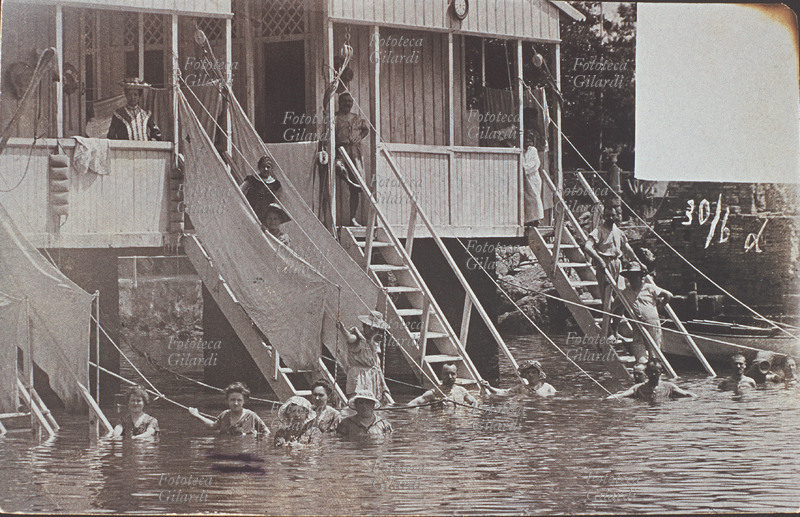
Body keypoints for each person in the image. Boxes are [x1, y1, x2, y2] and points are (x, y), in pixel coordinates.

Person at [584, 197, 638, 318]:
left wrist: (638, 261)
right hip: (605, 265)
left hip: (617, 264)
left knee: (622, 297)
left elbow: (627, 249)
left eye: (613, 216)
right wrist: (599, 260)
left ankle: (616, 329)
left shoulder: (618, 231)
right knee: (607, 298)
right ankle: (607, 330)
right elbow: (587, 247)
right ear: (603, 216)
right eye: (608, 216)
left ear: (616, 216)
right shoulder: (598, 231)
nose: (610, 218)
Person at [612, 262, 673, 363]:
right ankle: (642, 366)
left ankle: (654, 368)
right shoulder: (625, 293)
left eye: (635, 276)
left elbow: (668, 295)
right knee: (638, 347)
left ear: (641, 277)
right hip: (638, 325)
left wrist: (659, 308)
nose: (632, 279)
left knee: (654, 351)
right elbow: (616, 310)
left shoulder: (649, 288)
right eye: (630, 276)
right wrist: (615, 330)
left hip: (652, 323)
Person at [337, 310, 393, 404]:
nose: (373, 331)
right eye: (371, 328)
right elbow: (350, 338)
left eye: (376, 329)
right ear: (365, 326)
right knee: (356, 400)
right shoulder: (358, 337)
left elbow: (376, 364)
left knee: (373, 400)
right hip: (358, 374)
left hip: (372, 375)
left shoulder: (373, 343)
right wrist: (342, 329)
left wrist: (383, 384)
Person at [334, 93, 369, 226]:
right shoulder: (335, 117)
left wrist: (359, 137)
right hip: (340, 151)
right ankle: (347, 179)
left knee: (356, 187)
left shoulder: (357, 118)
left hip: (354, 152)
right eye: (345, 101)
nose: (347, 103)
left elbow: (366, 130)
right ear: (339, 102)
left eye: (350, 101)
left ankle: (353, 218)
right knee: (338, 168)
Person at [188, 382, 270, 437]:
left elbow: (266, 432)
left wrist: (256, 438)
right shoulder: (224, 415)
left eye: (239, 400)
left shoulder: (251, 416)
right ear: (227, 400)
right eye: (232, 400)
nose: (236, 403)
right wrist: (197, 415)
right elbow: (213, 426)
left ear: (244, 401)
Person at [606, 360, 696, 402]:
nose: (653, 375)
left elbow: (686, 394)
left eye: (656, 372)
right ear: (646, 373)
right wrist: (609, 398)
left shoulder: (669, 387)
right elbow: (622, 395)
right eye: (650, 372)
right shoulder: (638, 388)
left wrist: (696, 398)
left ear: (661, 373)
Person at [408, 363, 479, 408]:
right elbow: (411, 404)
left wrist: (472, 413)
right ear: (441, 375)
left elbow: (474, 402)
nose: (450, 377)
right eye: (446, 374)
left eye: (453, 374)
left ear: (456, 374)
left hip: (458, 425)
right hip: (442, 426)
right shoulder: (434, 392)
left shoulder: (461, 390)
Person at [240, 155, 282, 227]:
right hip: (249, 214)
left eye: (268, 167)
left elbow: (275, 204)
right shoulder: (251, 179)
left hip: (264, 220)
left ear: (272, 168)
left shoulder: (275, 184)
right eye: (263, 166)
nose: (265, 169)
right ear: (259, 167)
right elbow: (239, 191)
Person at [483, 360, 557, 398]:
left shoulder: (548, 387)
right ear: (525, 375)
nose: (530, 375)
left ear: (539, 374)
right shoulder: (521, 388)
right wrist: (489, 387)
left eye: (533, 372)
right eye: (528, 373)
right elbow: (503, 392)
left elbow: (556, 399)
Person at [522, 129, 545, 228]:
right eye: (526, 139)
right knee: (527, 199)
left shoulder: (533, 150)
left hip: (533, 177)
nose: (528, 141)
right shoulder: (523, 151)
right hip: (525, 177)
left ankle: (537, 219)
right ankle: (529, 219)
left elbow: (534, 164)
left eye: (529, 139)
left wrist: (523, 168)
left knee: (534, 197)